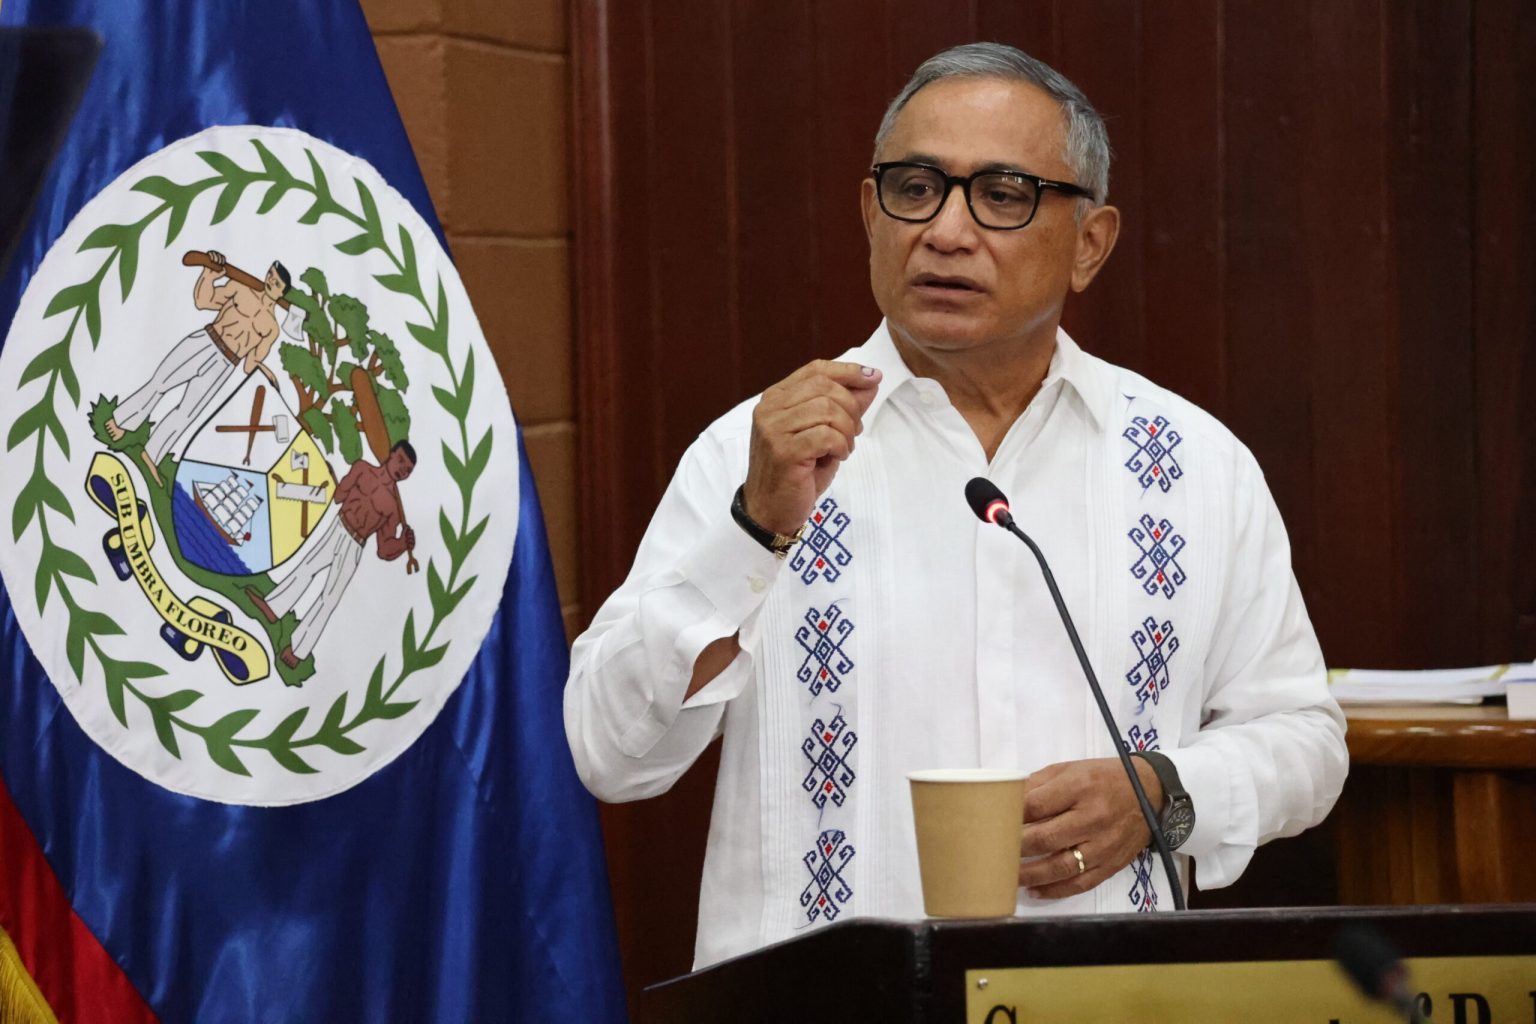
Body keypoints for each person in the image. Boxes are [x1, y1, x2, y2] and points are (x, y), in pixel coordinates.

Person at [564, 43, 1348, 968]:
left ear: (1090, 244)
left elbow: (1305, 740)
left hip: (1103, 993)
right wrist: (754, 529)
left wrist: (1165, 792)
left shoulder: (1193, 466)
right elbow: (610, 754)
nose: (945, 231)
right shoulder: (755, 453)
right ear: (871, 214)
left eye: (1003, 195)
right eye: (916, 188)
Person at [107, 251, 289, 485]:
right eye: (270, 275)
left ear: (282, 293)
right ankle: (122, 421)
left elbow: (249, 364)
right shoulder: (241, 288)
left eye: (276, 283)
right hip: (206, 341)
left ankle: (152, 454)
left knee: (188, 411)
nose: (270, 281)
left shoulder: (272, 328)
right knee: (162, 381)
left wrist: (266, 372)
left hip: (226, 364)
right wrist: (208, 275)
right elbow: (204, 301)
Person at [247, 440, 417, 671]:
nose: (402, 470)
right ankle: (273, 607)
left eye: (407, 470)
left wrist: (402, 544)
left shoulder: (392, 508)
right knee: (307, 567)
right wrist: (340, 483)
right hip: (339, 526)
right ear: (391, 453)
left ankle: (298, 651)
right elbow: (338, 495)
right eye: (401, 461)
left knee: (329, 598)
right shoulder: (362, 468)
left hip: (355, 545)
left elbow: (384, 549)